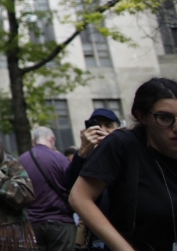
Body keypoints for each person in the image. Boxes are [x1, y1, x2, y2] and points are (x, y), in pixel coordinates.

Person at [69, 77, 177, 251]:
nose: (176, 127)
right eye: (165, 117)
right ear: (142, 116)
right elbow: (79, 197)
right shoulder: (122, 144)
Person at [19, 127, 74, 251]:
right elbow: (73, 185)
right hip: (61, 223)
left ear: (33, 141)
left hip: (31, 224)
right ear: (52, 139)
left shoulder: (21, 161)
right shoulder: (59, 159)